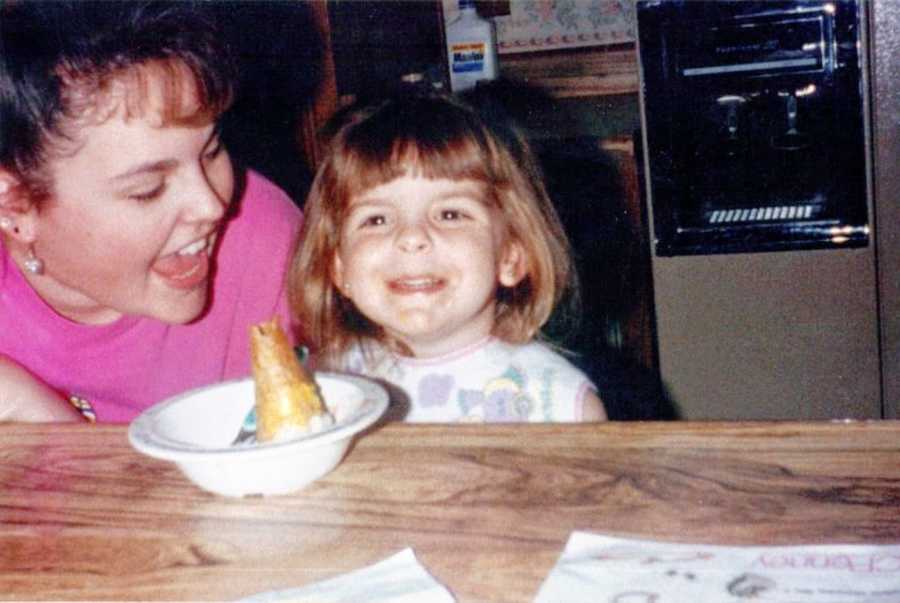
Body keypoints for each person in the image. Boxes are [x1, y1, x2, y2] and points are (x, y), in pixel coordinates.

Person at [0, 1, 303, 423]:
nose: (211, 206)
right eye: (148, 190)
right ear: (14, 205)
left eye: (212, 151)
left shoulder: (267, 245)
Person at [290, 93, 607, 422]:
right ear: (340, 268)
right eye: (377, 220)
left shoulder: (560, 405)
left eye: (450, 214)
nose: (411, 237)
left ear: (511, 256)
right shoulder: (322, 391)